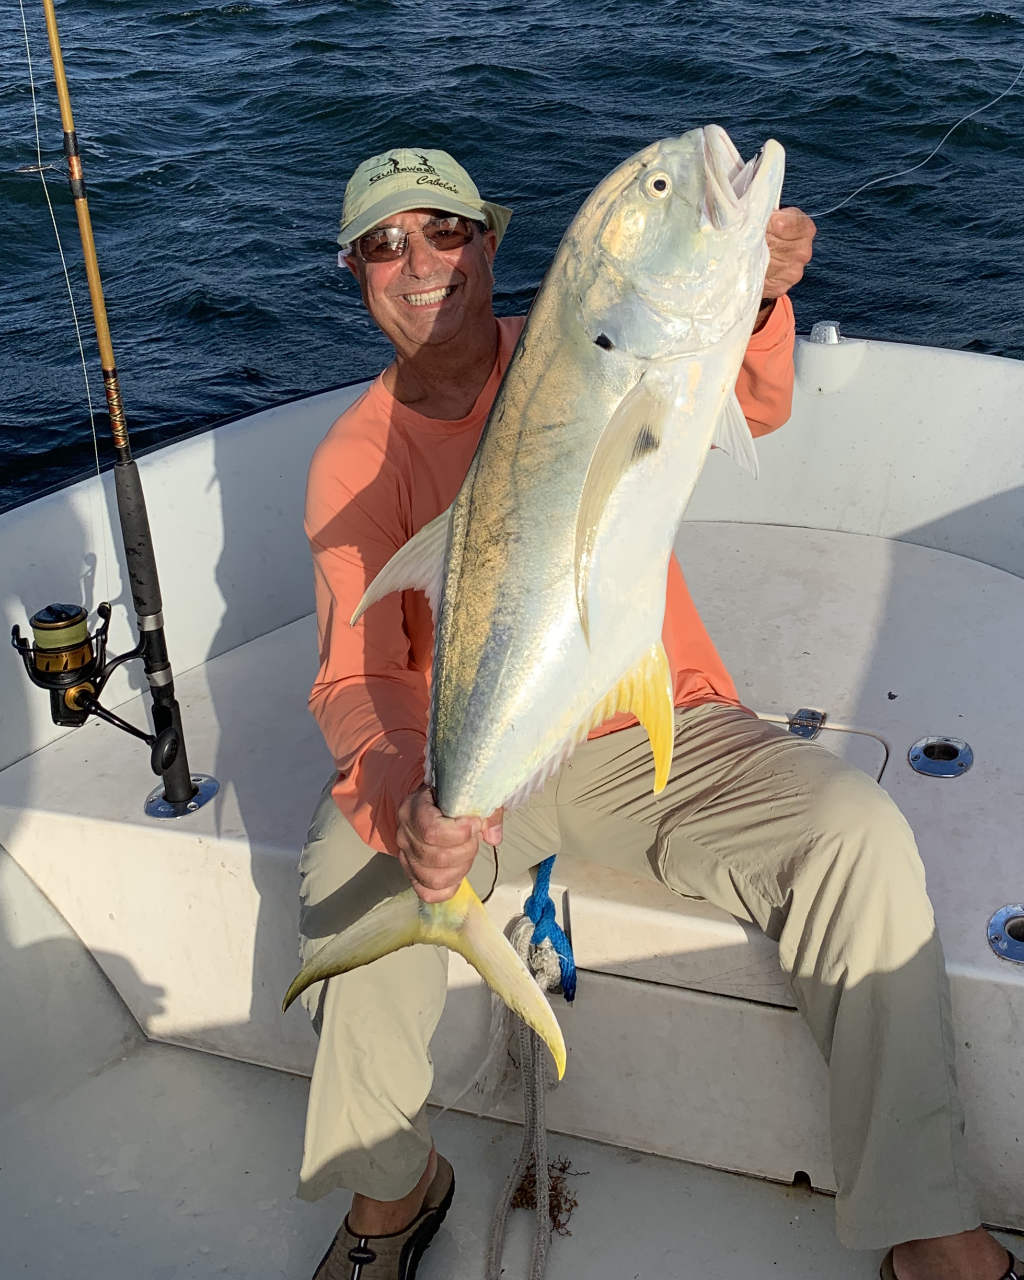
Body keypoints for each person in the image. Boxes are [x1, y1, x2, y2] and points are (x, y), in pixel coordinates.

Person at [296, 147, 1018, 1280]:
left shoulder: (578, 343)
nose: (419, 261)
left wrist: (763, 292)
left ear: (489, 243)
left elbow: (748, 398)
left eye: (444, 231)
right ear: (355, 272)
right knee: (350, 868)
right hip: (478, 768)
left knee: (855, 835)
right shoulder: (353, 457)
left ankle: (926, 1224)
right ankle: (391, 1188)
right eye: (385, 243)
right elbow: (355, 680)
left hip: (653, 730)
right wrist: (410, 804)